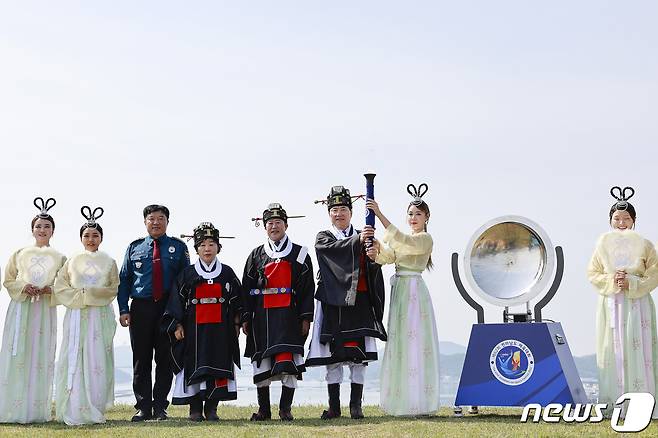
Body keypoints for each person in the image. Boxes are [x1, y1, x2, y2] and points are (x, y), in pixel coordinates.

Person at [305, 186, 387, 420]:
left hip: (359, 301)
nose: (338, 213)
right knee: (334, 358)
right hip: (333, 303)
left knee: (358, 357)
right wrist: (356, 241)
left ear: (350, 212)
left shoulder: (365, 236)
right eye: (334, 210)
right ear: (329, 213)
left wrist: (373, 257)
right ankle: (334, 407)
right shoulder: (324, 237)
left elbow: (373, 268)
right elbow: (328, 252)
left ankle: (356, 406)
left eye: (343, 209)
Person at [365, 183, 440, 416]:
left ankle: (419, 400)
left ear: (427, 217)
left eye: (418, 214)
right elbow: (390, 256)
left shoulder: (425, 239)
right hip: (400, 293)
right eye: (410, 214)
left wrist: (379, 214)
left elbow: (404, 242)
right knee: (400, 342)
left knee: (416, 342)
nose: (413, 217)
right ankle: (401, 399)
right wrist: (376, 249)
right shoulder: (404, 238)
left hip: (415, 293)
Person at [587, 186, 658, 417]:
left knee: (639, 347)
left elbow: (655, 273)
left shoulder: (645, 245)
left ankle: (642, 403)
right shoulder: (602, 245)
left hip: (637, 304)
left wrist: (633, 283)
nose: (621, 222)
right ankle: (614, 403)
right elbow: (593, 273)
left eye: (626, 219)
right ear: (610, 220)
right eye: (617, 218)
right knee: (612, 349)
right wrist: (612, 280)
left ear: (634, 221)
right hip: (611, 303)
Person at [241, 203, 315, 421]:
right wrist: (246, 317)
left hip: (289, 318)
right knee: (261, 363)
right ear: (265, 227)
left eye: (278, 222)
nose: (274, 227)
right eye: (270, 223)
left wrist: (305, 317)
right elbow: (246, 289)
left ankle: (285, 408)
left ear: (286, 225)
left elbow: (307, 289)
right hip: (262, 318)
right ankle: (264, 410)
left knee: (289, 363)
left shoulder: (300, 254)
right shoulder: (256, 255)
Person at [162, 222, 242, 421]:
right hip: (193, 329)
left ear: (218, 247)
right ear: (196, 248)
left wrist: (237, 323)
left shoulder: (227, 273)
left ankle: (212, 408)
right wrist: (177, 325)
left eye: (211, 244)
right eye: (203, 245)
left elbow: (238, 301)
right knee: (193, 365)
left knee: (218, 364)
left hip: (221, 329)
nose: (207, 249)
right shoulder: (187, 274)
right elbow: (175, 301)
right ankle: (195, 408)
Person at [118, 204, 190, 421]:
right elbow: (124, 281)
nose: (156, 222)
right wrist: (123, 309)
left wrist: (180, 316)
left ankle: (160, 406)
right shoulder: (134, 248)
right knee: (141, 359)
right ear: (145, 222)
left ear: (167, 222)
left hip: (168, 309)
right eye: (152, 218)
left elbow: (184, 282)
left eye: (160, 218)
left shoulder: (178, 248)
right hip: (140, 308)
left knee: (165, 359)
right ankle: (143, 407)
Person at [0, 197, 66, 423]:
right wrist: (23, 286)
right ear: (32, 229)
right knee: (17, 355)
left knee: (39, 355)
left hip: (43, 312)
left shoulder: (60, 258)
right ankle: (12, 409)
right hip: (21, 308)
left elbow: (65, 285)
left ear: (53, 230)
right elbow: (8, 280)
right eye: (38, 226)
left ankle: (35, 410)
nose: (42, 230)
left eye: (47, 226)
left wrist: (50, 289)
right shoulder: (19, 253)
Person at [53, 206, 119, 425]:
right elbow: (60, 286)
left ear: (101, 238)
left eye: (95, 235)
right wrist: (81, 296)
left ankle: (95, 405)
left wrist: (90, 294)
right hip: (76, 313)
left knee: (96, 356)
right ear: (80, 238)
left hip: (99, 315)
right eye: (87, 235)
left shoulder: (109, 262)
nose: (91, 239)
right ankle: (74, 406)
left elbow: (112, 288)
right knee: (75, 354)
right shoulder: (71, 262)